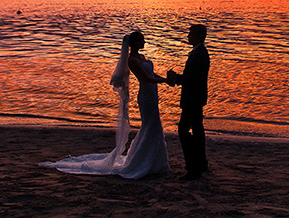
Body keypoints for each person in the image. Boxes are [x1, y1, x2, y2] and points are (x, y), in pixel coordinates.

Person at [40, 31, 170, 179]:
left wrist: (166, 79)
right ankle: (143, 160)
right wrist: (165, 81)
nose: (144, 43)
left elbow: (152, 75)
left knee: (154, 125)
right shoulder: (132, 60)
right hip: (146, 96)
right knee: (150, 125)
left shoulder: (142, 57)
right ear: (135, 43)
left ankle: (156, 161)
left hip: (153, 95)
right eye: (142, 41)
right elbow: (145, 79)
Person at [164, 23, 210, 180]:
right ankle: (200, 164)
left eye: (190, 34)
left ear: (197, 36)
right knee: (197, 130)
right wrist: (178, 78)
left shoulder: (199, 54)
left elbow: (193, 79)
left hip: (193, 99)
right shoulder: (199, 53)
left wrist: (177, 78)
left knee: (184, 131)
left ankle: (193, 167)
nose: (188, 37)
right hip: (196, 99)